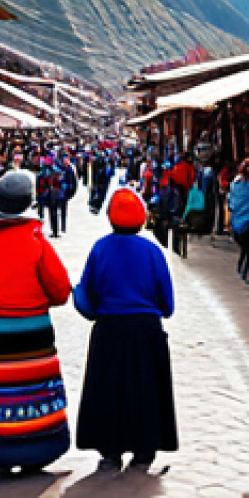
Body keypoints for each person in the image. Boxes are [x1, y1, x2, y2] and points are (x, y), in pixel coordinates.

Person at [0, 170, 72, 476]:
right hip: (32, 330)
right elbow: (61, 290)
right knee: (32, 393)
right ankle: (36, 451)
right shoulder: (36, 239)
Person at [74, 189, 177, 472]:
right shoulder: (152, 251)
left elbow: (88, 292)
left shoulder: (101, 249)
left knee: (109, 389)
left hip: (109, 328)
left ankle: (110, 448)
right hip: (146, 330)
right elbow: (166, 301)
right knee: (144, 389)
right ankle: (144, 449)